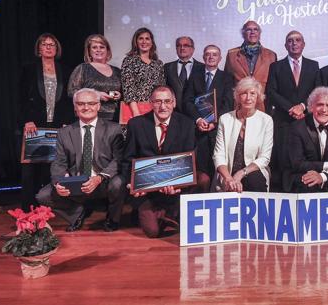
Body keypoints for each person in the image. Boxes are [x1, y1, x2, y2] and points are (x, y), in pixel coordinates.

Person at [36, 88, 125, 232]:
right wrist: (59, 182)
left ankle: (112, 218)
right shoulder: (64, 132)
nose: (86, 107)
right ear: (75, 108)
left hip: (103, 181)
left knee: (118, 183)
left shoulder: (113, 129)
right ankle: (77, 214)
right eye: (81, 104)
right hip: (76, 182)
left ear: (98, 106)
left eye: (91, 103)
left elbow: (119, 159)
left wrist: (100, 178)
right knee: (43, 196)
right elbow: (59, 162)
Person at [122, 85, 196, 238]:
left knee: (202, 179)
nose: (163, 106)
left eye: (167, 101)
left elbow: (188, 161)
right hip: (146, 191)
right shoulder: (136, 124)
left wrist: (177, 186)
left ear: (174, 102)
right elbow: (127, 159)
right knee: (153, 232)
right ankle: (161, 215)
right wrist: (132, 184)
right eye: (158, 101)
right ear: (151, 103)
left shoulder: (187, 124)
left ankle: (167, 213)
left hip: (173, 187)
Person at [19, 33, 74, 211]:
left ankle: (48, 208)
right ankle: (29, 209)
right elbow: (21, 98)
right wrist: (27, 120)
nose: (48, 47)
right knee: (31, 169)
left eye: (52, 45)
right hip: (34, 125)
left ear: (56, 49)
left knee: (52, 166)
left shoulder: (64, 70)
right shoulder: (29, 69)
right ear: (39, 48)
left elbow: (67, 99)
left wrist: (66, 122)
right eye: (45, 44)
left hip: (57, 125)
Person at [265, 30, 320, 191]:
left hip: (306, 120)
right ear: (285, 45)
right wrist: (291, 108)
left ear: (303, 44)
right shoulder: (276, 66)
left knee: (305, 158)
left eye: (297, 40)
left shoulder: (313, 65)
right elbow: (271, 92)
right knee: (283, 160)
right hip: (284, 121)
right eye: (290, 40)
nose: (294, 43)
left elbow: (317, 91)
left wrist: (302, 106)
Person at [182, 44, 234, 192]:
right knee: (201, 172)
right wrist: (198, 119)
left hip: (217, 129)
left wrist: (214, 122)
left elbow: (228, 103)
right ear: (203, 57)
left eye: (215, 54)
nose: (211, 57)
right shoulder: (194, 76)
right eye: (208, 54)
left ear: (220, 58)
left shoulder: (227, 78)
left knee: (217, 168)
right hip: (198, 130)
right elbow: (187, 101)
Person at [213, 77, 273, 192]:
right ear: (237, 97)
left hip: (253, 171)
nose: (248, 98)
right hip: (228, 173)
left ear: (258, 97)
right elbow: (218, 155)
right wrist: (228, 178)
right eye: (244, 93)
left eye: (252, 93)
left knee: (254, 182)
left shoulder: (266, 120)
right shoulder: (225, 119)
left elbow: (264, 158)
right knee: (230, 188)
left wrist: (241, 173)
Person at [283, 87, 328, 193]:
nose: (324, 110)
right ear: (311, 107)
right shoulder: (297, 128)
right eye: (319, 104)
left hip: (326, 178)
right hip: (300, 177)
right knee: (309, 183)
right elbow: (297, 164)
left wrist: (322, 177)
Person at [68, 34, 122, 121]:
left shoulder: (117, 71)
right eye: (94, 47)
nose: (98, 50)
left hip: (114, 118)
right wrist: (96, 94)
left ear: (107, 50)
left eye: (102, 47)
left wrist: (119, 95)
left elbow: (124, 93)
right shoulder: (83, 68)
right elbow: (72, 91)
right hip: (89, 116)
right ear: (89, 51)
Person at [224, 20, 277, 109]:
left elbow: (274, 85)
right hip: (239, 105)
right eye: (249, 30)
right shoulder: (231, 54)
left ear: (259, 33)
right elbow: (227, 82)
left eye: (255, 29)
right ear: (243, 34)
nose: (252, 32)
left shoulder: (271, 55)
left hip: (263, 105)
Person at [121, 27, 166, 121]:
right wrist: (136, 112)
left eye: (147, 38)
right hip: (135, 110)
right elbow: (128, 88)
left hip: (155, 110)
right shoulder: (129, 61)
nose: (144, 41)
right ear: (136, 42)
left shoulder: (158, 64)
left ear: (152, 42)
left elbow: (161, 88)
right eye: (141, 38)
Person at [164, 36, 204, 112]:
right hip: (173, 113)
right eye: (179, 45)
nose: (182, 48)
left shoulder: (203, 68)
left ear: (192, 49)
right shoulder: (167, 67)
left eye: (186, 45)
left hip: (196, 115)